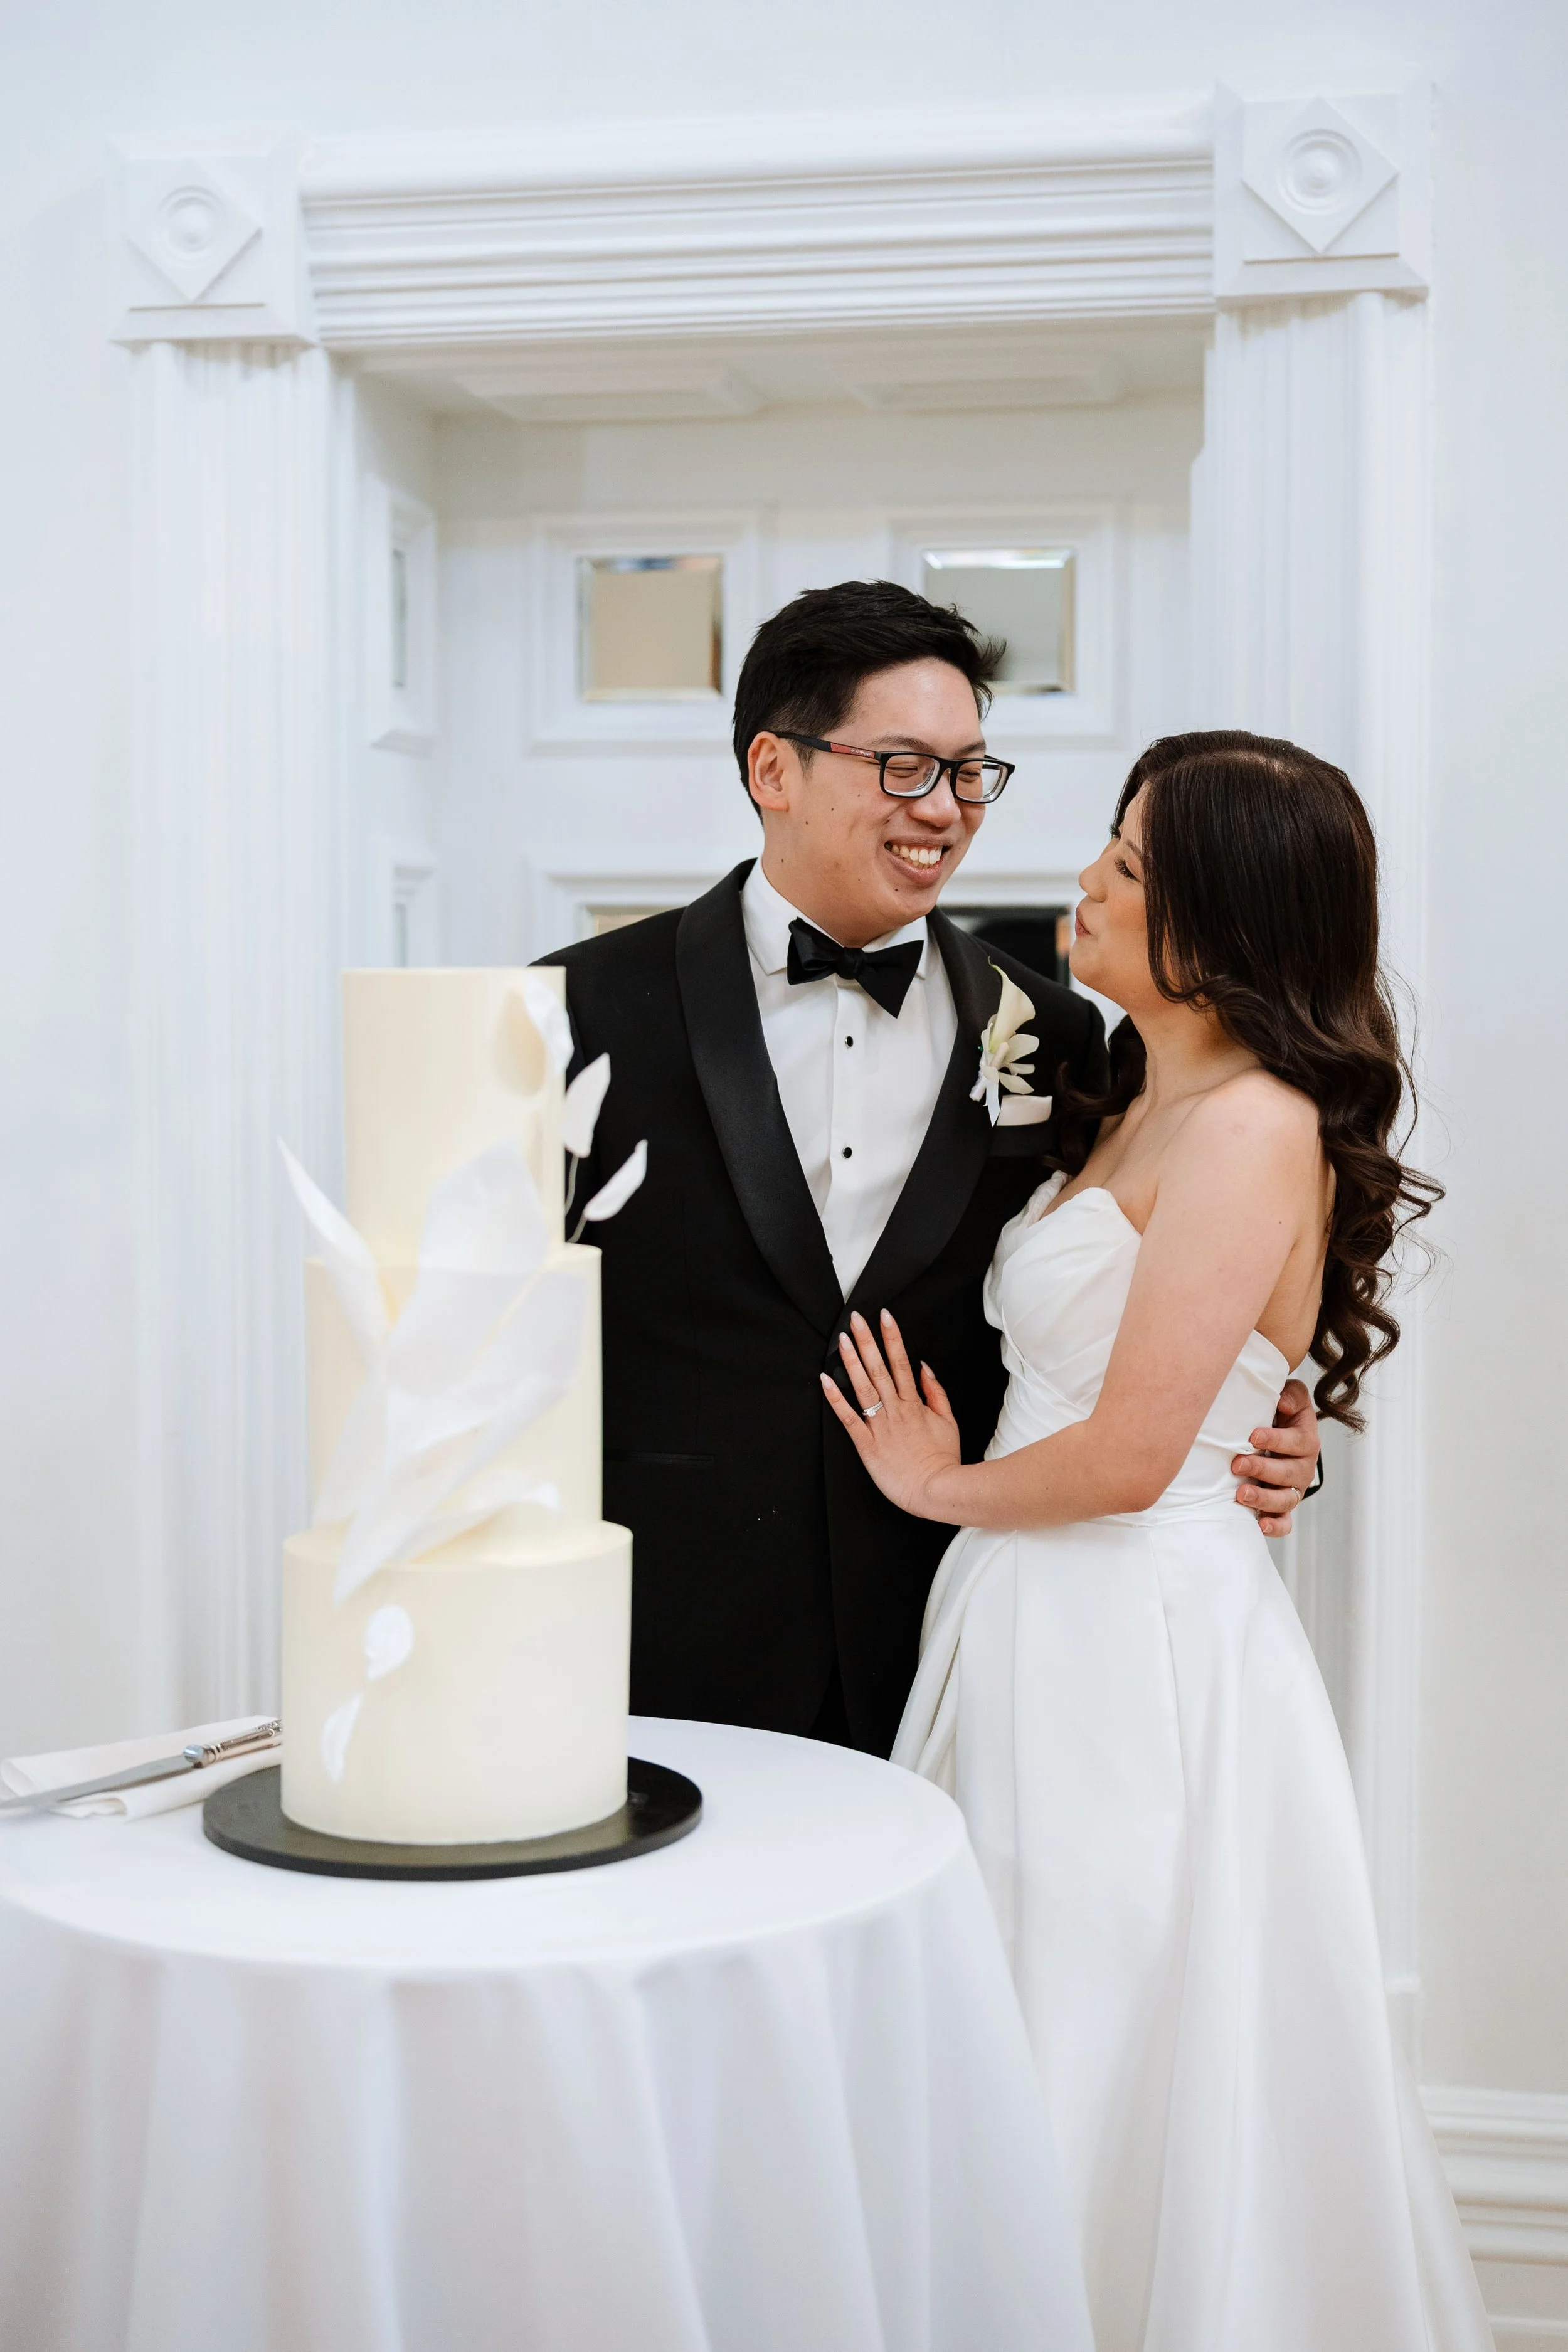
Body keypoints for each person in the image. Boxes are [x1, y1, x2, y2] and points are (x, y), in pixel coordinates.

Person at [827, 732, 1493, 2349]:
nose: (1082, 883)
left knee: (1107, 2023)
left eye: (1124, 867)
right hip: (1035, 1622)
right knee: (1026, 2015)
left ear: (1218, 920)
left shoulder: (1253, 1123)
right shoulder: (1121, 1090)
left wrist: (934, 1488)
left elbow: (1133, 1457)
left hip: (1133, 1640)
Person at [542, 589, 1319, 1756]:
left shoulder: (1065, 1039)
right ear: (773, 768)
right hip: (665, 1623)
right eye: (905, 766)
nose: (946, 811)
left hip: (959, 1624)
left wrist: (1261, 1430)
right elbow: (494, 1320)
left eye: (970, 772)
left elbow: (1161, 1298)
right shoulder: (573, 1005)